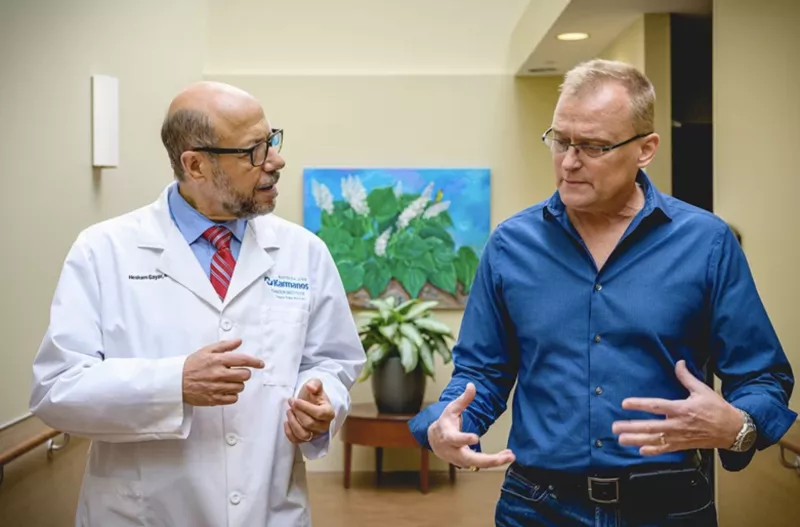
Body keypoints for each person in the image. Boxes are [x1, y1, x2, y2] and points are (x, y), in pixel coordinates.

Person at [408, 59, 796, 526]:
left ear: (646, 149)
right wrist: (446, 426)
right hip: (536, 506)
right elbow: (481, 373)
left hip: (668, 505)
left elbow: (762, 377)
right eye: (560, 140)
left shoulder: (706, 243)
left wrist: (739, 427)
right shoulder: (511, 245)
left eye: (592, 146)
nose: (569, 161)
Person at [29, 81, 365, 527]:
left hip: (269, 512)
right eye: (254, 151)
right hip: (143, 515)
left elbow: (332, 362)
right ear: (195, 164)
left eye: (272, 141)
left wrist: (322, 403)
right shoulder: (103, 251)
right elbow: (56, 390)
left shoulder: (304, 252)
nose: (276, 161)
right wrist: (173, 383)